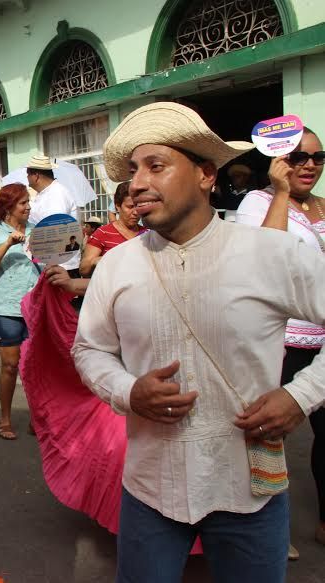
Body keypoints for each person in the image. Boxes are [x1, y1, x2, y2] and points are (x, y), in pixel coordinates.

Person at [72, 101, 325, 583]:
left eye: (156, 165)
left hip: (249, 491)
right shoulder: (117, 266)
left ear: (206, 175)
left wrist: (301, 396)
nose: (138, 182)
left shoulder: (271, 253)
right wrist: (127, 391)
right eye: (132, 171)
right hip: (150, 490)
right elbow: (89, 349)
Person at [236, 127, 325, 558]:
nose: (309, 165)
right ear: (277, 161)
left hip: (322, 342)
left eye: (318, 157)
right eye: (298, 157)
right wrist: (280, 192)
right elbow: (263, 258)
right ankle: (272, 530)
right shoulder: (257, 202)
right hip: (281, 341)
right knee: (271, 438)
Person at [0, 183, 37, 440]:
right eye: (23, 203)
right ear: (9, 207)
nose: (28, 207)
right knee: (10, 365)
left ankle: (37, 417)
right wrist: (7, 243)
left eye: (28, 202)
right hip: (5, 307)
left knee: (34, 366)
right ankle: (5, 419)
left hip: (36, 305)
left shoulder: (37, 231)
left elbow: (53, 261)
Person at [27, 155, 80, 274]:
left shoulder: (57, 194)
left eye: (28, 174)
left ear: (36, 176)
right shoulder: (44, 194)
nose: (27, 178)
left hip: (61, 266)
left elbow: (55, 229)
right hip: (50, 263)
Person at [79, 182, 145, 276]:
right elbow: (84, 270)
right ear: (117, 206)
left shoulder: (147, 234)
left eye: (138, 206)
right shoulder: (102, 233)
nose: (135, 212)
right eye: (130, 207)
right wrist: (100, 260)